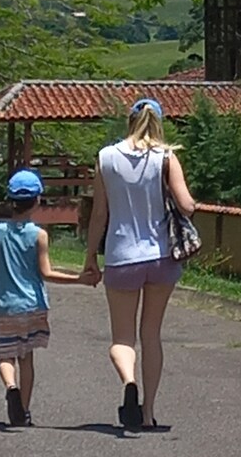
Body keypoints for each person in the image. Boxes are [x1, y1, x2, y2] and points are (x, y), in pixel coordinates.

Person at [81, 98, 197, 430]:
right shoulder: (166, 157)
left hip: (121, 258)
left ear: (130, 121)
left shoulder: (106, 158)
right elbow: (186, 204)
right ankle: (148, 413)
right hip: (161, 258)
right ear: (158, 123)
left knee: (122, 340)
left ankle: (129, 382)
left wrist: (91, 255)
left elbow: (99, 214)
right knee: (152, 335)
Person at [0, 169, 80, 427]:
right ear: (37, 201)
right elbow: (46, 272)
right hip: (33, 305)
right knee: (27, 359)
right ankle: (23, 412)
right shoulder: (39, 235)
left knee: (5, 356)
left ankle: (10, 387)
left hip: (6, 306)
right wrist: (79, 279)